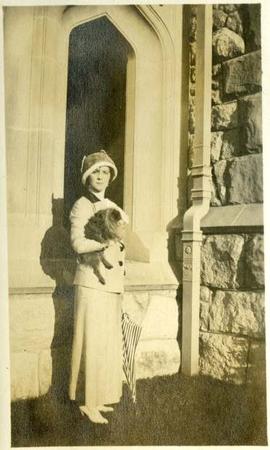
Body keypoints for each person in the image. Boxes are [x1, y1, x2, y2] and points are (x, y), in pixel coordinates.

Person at [68, 150, 128, 425]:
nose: (101, 176)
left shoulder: (114, 205)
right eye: (96, 172)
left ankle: (100, 397)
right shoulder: (81, 205)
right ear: (87, 177)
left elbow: (123, 240)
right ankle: (86, 402)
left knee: (105, 342)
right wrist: (103, 245)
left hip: (111, 282)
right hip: (91, 281)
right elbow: (78, 243)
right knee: (91, 340)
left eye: (106, 172)